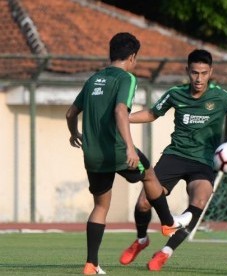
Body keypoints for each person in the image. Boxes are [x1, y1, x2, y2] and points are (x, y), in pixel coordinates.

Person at [119, 49, 227, 271]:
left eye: (203, 73)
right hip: (175, 155)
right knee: (144, 202)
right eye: (194, 73)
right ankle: (141, 240)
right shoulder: (175, 93)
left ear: (210, 72)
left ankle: (165, 252)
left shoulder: (220, 97)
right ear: (187, 72)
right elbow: (152, 114)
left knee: (199, 201)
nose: (199, 79)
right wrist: (125, 118)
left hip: (203, 162)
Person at [65, 32, 192, 275]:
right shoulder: (126, 78)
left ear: (110, 53)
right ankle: (167, 223)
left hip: (92, 154)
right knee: (149, 174)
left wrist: (74, 134)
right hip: (118, 150)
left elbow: (70, 113)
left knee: (101, 206)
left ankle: (92, 263)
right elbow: (121, 111)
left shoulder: (93, 79)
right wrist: (131, 147)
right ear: (132, 56)